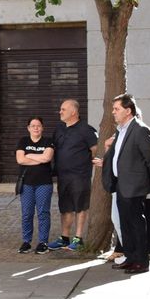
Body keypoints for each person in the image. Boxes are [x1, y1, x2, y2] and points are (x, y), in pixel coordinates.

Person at [94, 93, 150, 276]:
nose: (113, 112)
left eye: (117, 109)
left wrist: (145, 180)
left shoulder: (140, 130)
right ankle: (130, 257)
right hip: (120, 184)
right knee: (125, 224)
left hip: (135, 186)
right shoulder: (121, 130)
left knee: (136, 224)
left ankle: (141, 261)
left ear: (128, 111)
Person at [46, 99, 98, 251]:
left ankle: (78, 239)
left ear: (73, 112)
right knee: (65, 207)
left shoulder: (86, 130)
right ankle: (64, 238)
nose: (60, 112)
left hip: (80, 176)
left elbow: (95, 149)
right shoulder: (59, 128)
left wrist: (84, 163)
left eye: (63, 109)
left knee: (80, 206)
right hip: (63, 176)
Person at [15, 118, 55, 253]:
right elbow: (20, 159)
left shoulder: (48, 141)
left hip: (44, 183)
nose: (36, 128)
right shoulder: (23, 141)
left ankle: (43, 242)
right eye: (33, 126)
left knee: (43, 213)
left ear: (42, 128)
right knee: (27, 213)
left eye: (38, 126)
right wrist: (39, 158)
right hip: (27, 183)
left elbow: (47, 158)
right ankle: (26, 241)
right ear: (28, 128)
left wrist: (29, 155)